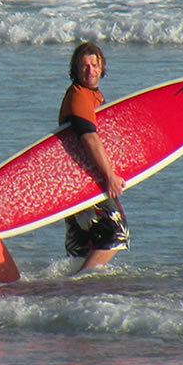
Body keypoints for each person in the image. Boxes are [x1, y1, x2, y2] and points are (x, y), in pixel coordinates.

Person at [59, 42, 129, 272]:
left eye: (94, 65)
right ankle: (78, 285)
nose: (90, 70)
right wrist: (109, 176)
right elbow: (89, 138)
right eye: (84, 66)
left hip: (72, 180)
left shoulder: (90, 96)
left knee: (84, 247)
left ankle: (72, 292)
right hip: (84, 179)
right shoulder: (80, 96)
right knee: (116, 233)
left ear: (101, 67)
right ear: (75, 69)